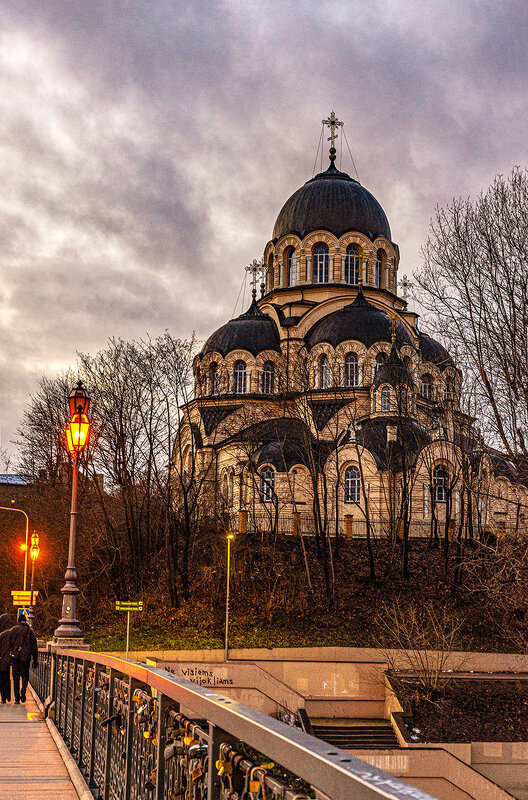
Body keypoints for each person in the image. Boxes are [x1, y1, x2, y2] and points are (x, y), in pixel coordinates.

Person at [9, 610, 38, 704]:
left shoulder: (12, 630)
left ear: (18, 621)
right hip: (26, 657)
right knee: (25, 675)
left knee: (15, 677)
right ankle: (23, 690)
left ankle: (17, 698)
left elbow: (9, 645)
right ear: (25, 620)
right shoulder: (29, 631)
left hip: (15, 657)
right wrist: (35, 659)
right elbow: (34, 646)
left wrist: (9, 655)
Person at [0, 613, 12, 703]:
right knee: (7, 678)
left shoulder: (1, 634)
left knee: (2, 679)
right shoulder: (11, 633)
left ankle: (3, 697)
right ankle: (8, 696)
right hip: (9, 659)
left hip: (1, 659)